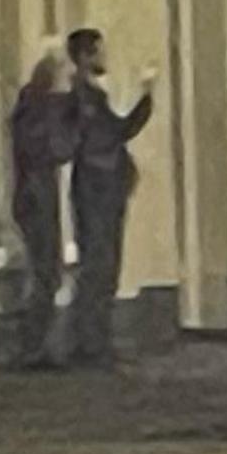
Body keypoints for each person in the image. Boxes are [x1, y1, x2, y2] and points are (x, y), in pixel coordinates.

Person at [60, 28, 156, 368]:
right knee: (99, 266)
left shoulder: (87, 97)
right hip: (98, 191)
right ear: (86, 56)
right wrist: (147, 98)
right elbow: (114, 133)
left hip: (99, 188)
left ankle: (92, 342)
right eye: (99, 52)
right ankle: (91, 344)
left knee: (100, 266)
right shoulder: (85, 99)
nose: (105, 58)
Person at [5, 46, 81, 369]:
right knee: (46, 273)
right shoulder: (38, 114)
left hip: (32, 196)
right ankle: (32, 345)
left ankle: (35, 343)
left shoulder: (27, 110)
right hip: (38, 197)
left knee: (44, 272)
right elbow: (57, 149)